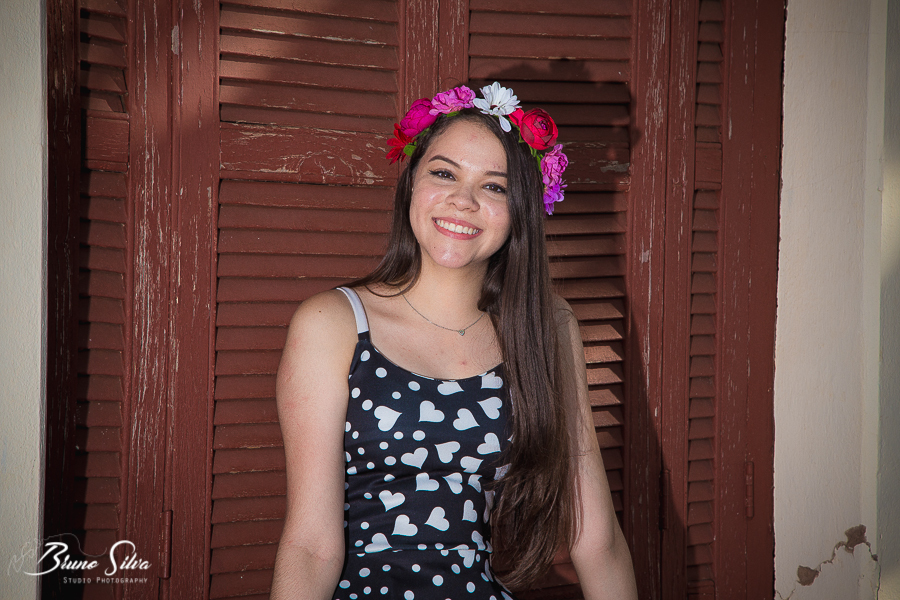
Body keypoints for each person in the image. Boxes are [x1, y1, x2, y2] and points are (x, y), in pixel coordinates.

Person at [271, 82, 637, 600]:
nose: (463, 201)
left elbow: (596, 540)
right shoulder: (332, 323)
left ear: (521, 209)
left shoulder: (546, 326)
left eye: (494, 187)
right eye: (444, 173)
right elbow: (311, 547)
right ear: (411, 185)